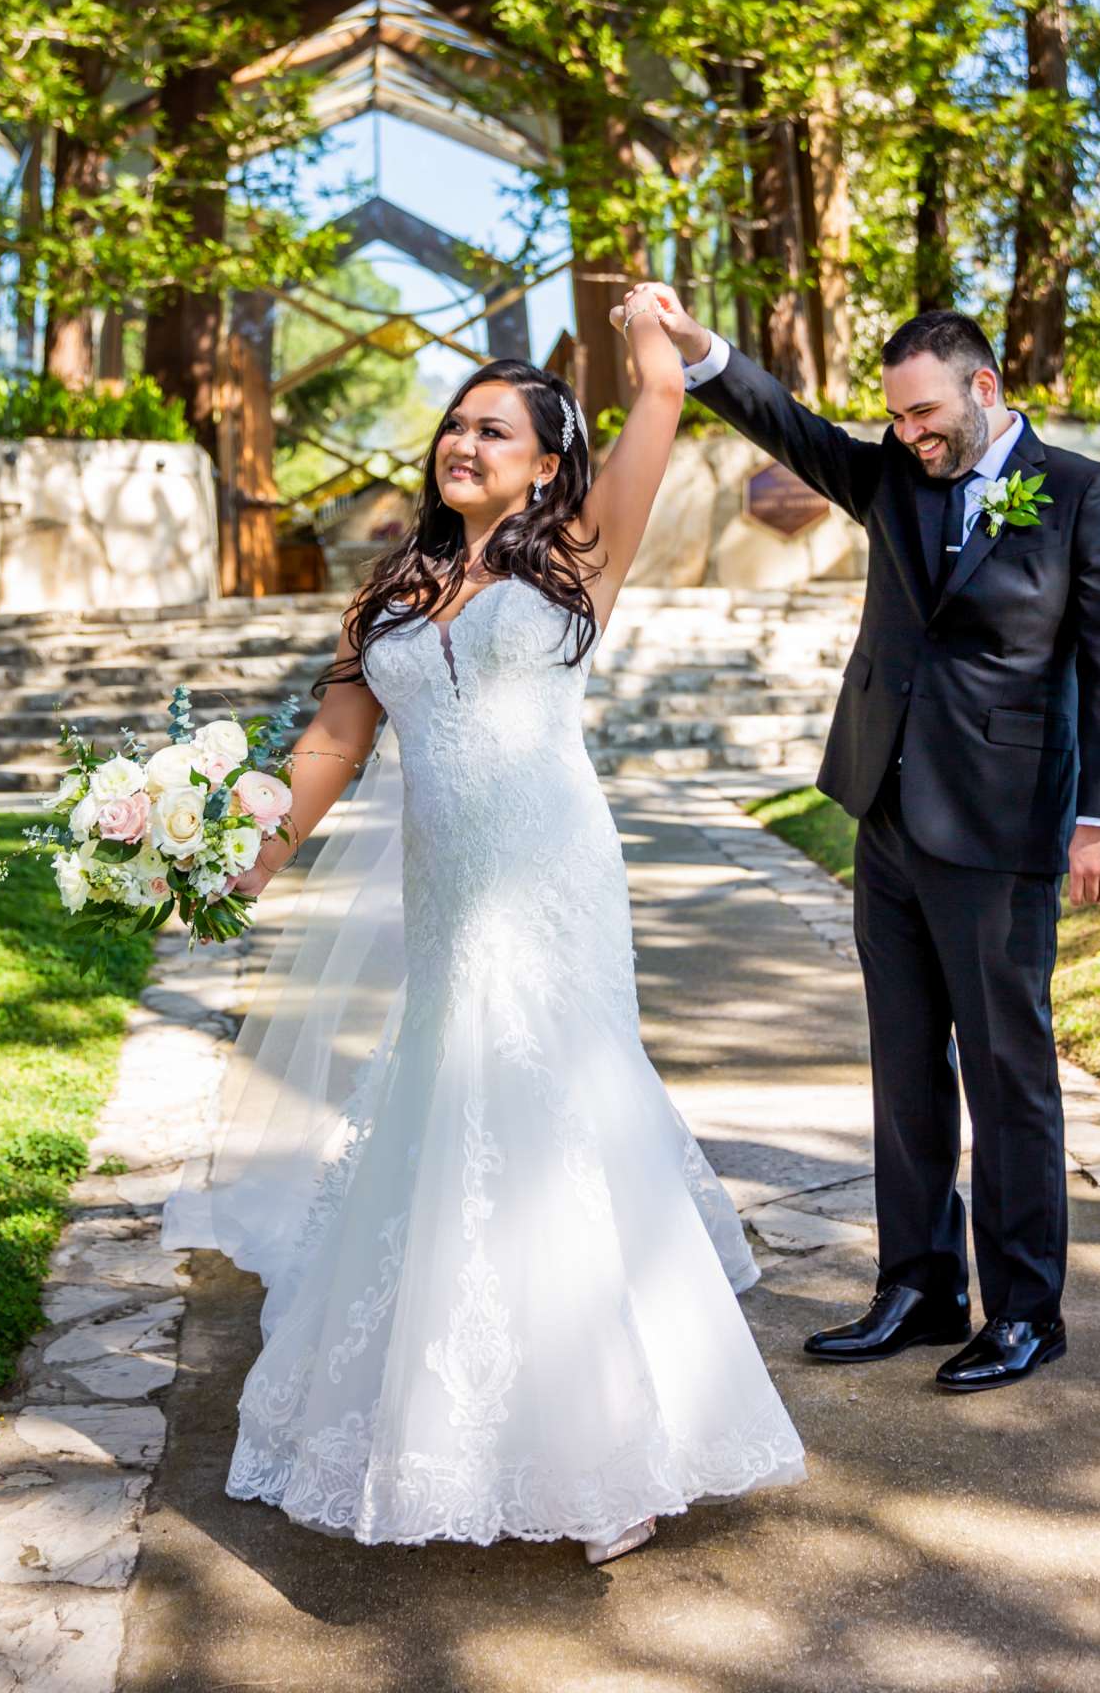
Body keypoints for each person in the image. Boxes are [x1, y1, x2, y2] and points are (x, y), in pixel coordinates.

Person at [161, 294, 804, 1563]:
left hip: (556, 879)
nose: (465, 444)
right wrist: (252, 858)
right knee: (448, 1105)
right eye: (456, 427)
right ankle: (451, 1411)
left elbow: (661, 410)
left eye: (495, 432)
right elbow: (335, 743)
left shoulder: (581, 557)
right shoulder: (386, 596)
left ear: (545, 463)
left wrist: (642, 338)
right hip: (449, 894)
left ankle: (611, 1450)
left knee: (549, 1111)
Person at [621, 287, 1100, 1394]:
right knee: (905, 1064)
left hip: (1003, 827)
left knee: (1008, 1074)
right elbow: (791, 428)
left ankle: (1024, 1310)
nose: (907, 436)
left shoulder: (1078, 495)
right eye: (896, 419)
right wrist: (692, 346)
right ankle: (916, 1286)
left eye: (923, 416)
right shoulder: (889, 475)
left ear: (984, 389)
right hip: (886, 815)